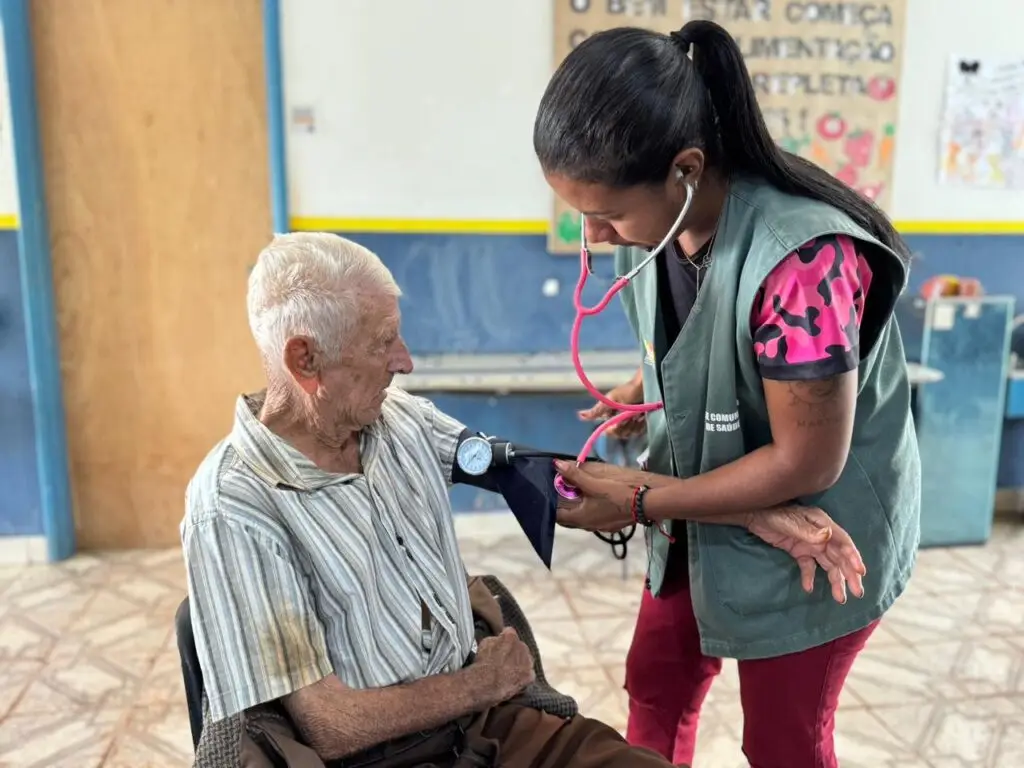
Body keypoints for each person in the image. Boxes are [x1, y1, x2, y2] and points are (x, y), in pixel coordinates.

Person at [182, 232, 871, 768]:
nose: (406, 361)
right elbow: (331, 727)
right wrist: (481, 685)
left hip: (483, 728)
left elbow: (547, 477)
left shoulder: (396, 421)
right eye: (383, 343)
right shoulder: (235, 507)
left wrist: (754, 510)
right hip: (382, 754)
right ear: (306, 362)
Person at [533, 19, 921, 768]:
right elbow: (710, 336)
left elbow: (808, 465)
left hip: (818, 535)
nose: (597, 235)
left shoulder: (804, 262)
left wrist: (638, 497)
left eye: (608, 214)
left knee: (782, 741)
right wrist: (654, 389)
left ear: (684, 169)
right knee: (655, 682)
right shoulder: (663, 230)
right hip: (704, 506)